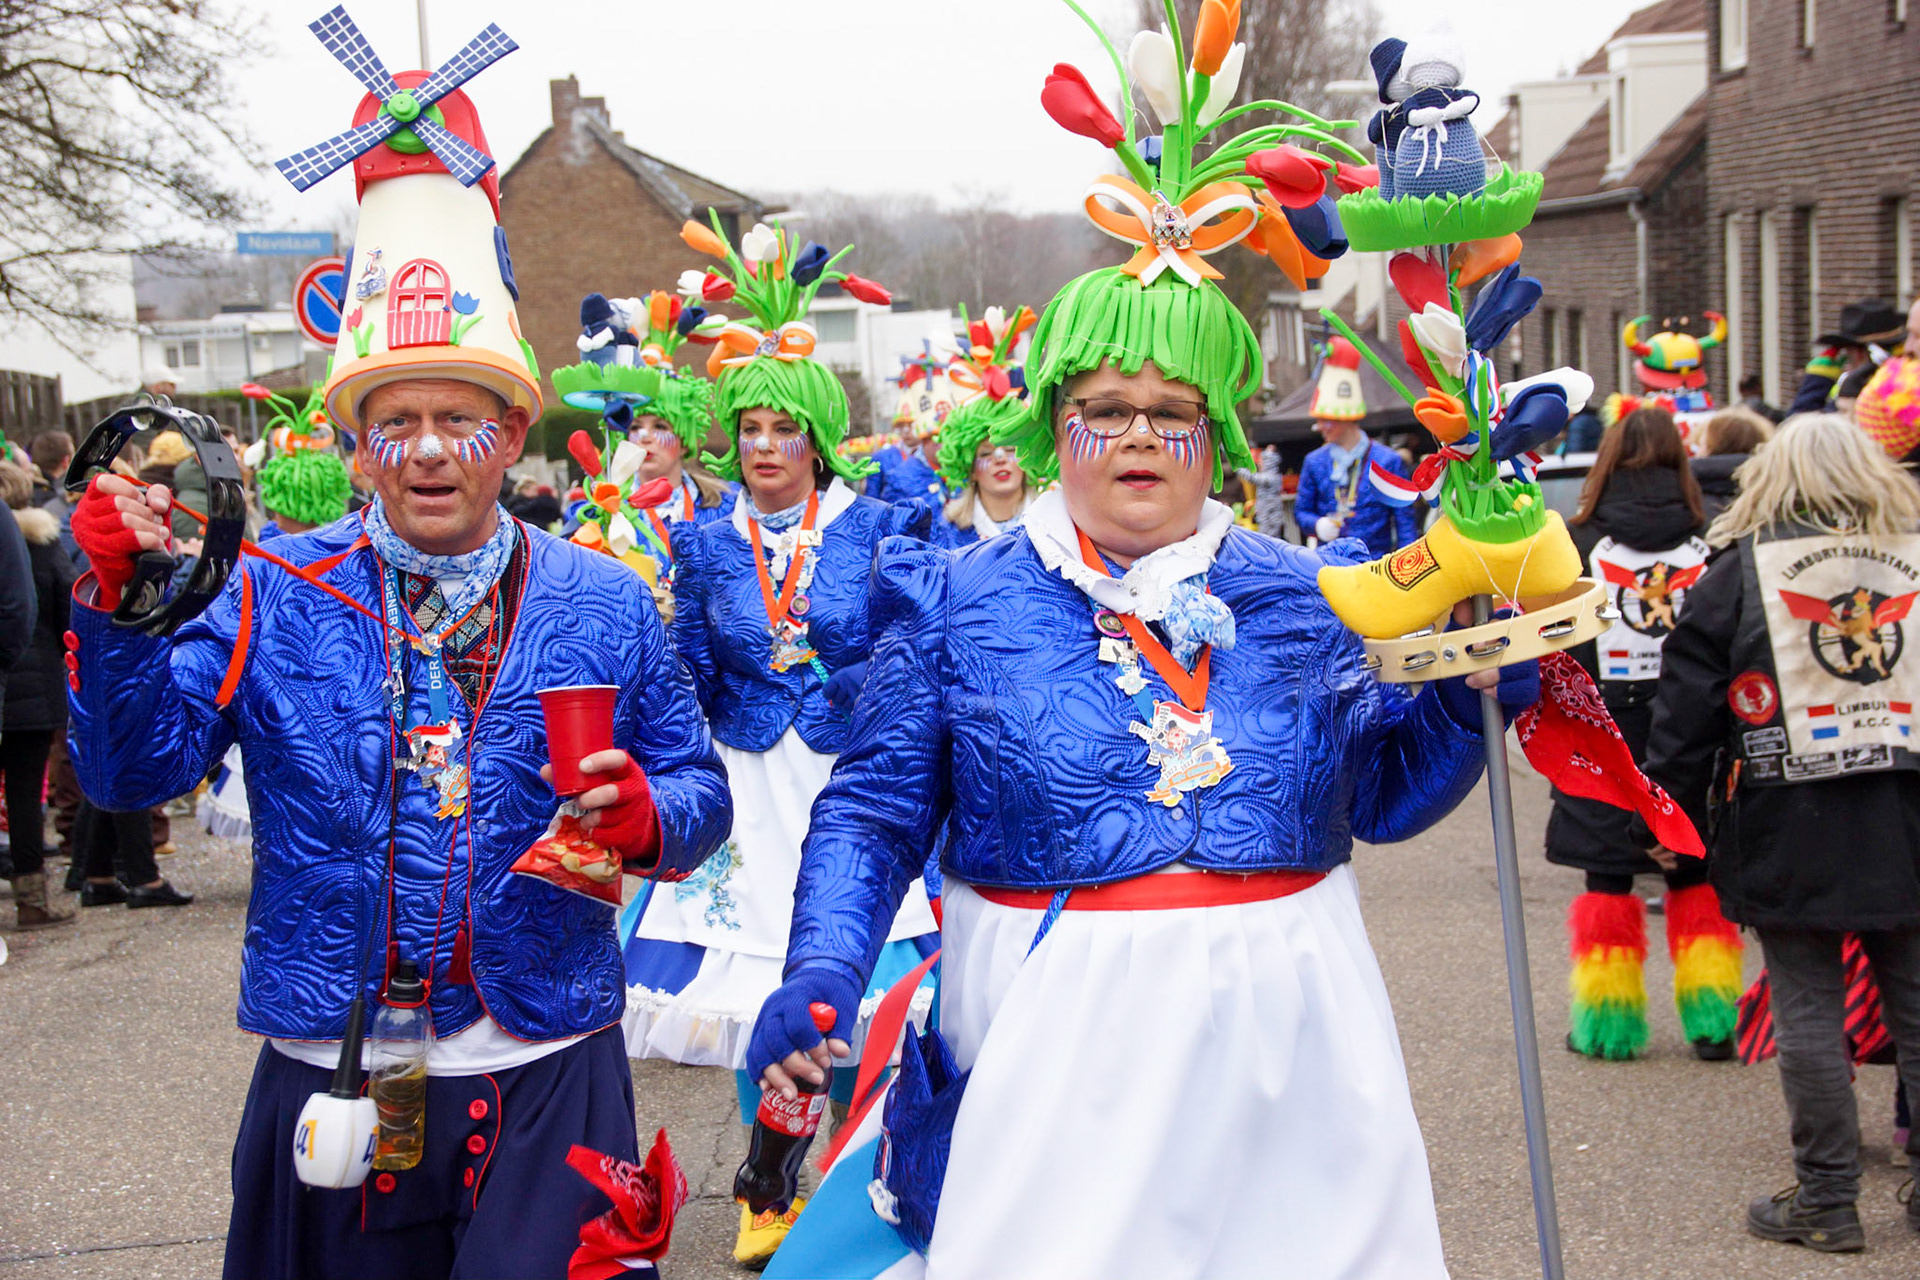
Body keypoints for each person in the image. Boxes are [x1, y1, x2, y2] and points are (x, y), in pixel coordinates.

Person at [745, 16, 1538, 1271]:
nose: (1135, 438)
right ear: (1052, 425)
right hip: (1060, 1053)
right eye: (1102, 408)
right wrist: (825, 965)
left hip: (1301, 1049)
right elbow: (874, 811)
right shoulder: (954, 596)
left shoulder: (1310, 592)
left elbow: (1384, 797)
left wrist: (1465, 697)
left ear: (1217, 439)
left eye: (1172, 414)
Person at [65, 62, 730, 1278]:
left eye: (460, 419)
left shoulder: (603, 596)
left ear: (512, 432)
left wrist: (649, 817)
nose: (429, 451)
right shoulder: (268, 585)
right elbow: (127, 776)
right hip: (332, 1068)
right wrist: (117, 607)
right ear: (356, 444)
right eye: (396, 422)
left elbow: (698, 792)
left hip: (547, 1062)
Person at [618, 215, 936, 1266]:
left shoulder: (881, 527)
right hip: (748, 783)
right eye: (748, 428)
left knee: (871, 994)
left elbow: (911, 651)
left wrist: (856, 688)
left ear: (817, 436)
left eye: (782, 429)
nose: (762, 447)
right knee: (757, 988)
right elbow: (684, 671)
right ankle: (766, 1184)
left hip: (852, 780)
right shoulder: (707, 542)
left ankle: (864, 1177)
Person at [1645, 414, 1920, 1252]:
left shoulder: (1738, 573)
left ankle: (1827, 1199)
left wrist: (1666, 813)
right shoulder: (1912, 557)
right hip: (1908, 815)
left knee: (1808, 1007)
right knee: (1917, 1006)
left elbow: (1686, 713)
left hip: (1788, 819)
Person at [1549, 408, 1741, 1061]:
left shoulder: (1577, 543)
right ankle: (1713, 1025)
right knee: (1695, 872)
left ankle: (1610, 1030)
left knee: (1607, 877)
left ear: (1605, 462)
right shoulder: (1714, 540)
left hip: (1604, 731)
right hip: (1695, 728)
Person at [1, 462, 74, 927]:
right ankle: (31, 899)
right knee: (26, 795)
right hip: (32, 685)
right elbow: (63, 607)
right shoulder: (43, 542)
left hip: (16, 677)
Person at [1293, 338, 1415, 556]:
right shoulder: (1314, 461)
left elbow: (1404, 521)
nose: (1319, 427)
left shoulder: (1388, 461)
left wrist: (1409, 567)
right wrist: (1317, 525)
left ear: (1345, 418)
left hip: (1374, 565)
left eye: (1326, 420)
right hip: (1329, 564)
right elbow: (1301, 512)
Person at [1785, 300, 1906, 418]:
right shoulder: (1906, 382)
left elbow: (1799, 426)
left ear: (1858, 354)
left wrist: (1817, 382)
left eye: (1846, 352)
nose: (1847, 364)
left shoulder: (1857, 394)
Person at [1691, 407, 1772, 526]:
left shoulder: (1689, 501)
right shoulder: (1774, 497)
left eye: (1699, 446)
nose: (1696, 454)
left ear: (1709, 448)